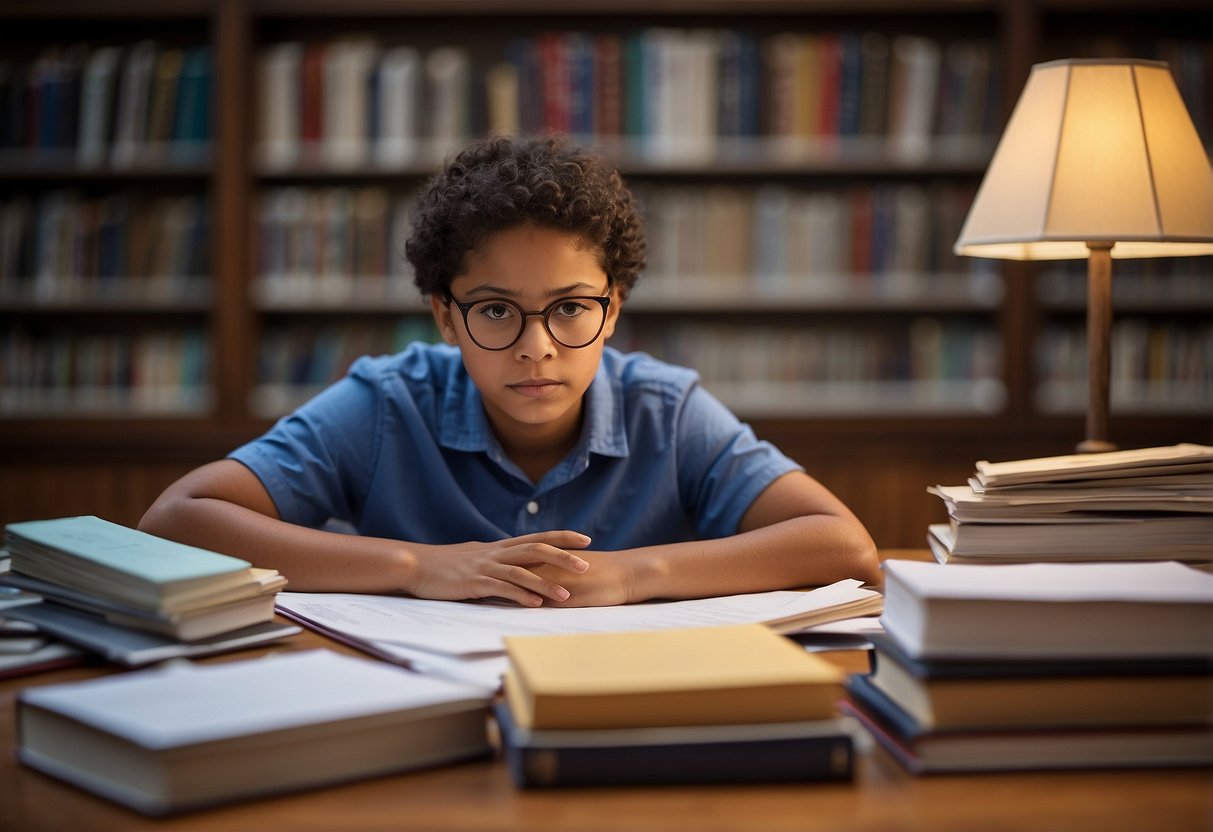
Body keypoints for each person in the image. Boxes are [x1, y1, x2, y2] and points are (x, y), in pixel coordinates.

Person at [139, 135, 879, 608]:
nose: (537, 347)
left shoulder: (666, 409)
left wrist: (629, 575)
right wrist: (417, 566)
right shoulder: (389, 402)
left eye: (569, 308)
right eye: (495, 311)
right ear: (444, 315)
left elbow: (843, 546)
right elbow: (174, 521)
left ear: (612, 308)